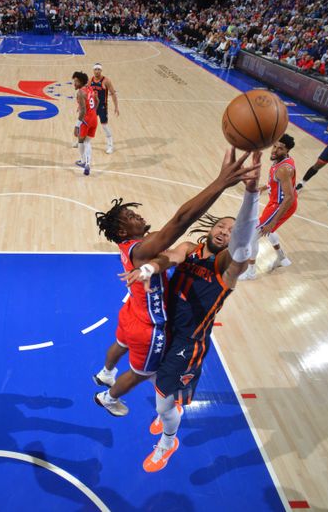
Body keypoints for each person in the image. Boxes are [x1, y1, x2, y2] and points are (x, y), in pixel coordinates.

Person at [122, 150, 263, 472]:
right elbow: (169, 257)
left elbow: (242, 244)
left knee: (163, 399)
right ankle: (168, 416)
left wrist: (251, 196)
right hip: (166, 330)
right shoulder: (191, 248)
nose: (225, 232)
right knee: (160, 386)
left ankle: (168, 442)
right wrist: (148, 270)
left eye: (232, 230)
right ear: (212, 228)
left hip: (189, 342)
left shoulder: (227, 265)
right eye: (221, 226)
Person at [93, 147, 259, 417]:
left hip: (131, 312)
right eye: (133, 217)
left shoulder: (131, 245)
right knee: (140, 374)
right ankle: (108, 397)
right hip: (149, 326)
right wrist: (221, 182)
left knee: (120, 342)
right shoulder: (143, 248)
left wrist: (154, 265)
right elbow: (181, 220)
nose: (140, 216)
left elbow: (170, 253)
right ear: (124, 231)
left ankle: (106, 372)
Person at [239, 134, 297, 280]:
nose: (275, 150)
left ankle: (250, 272)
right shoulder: (280, 161)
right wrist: (262, 188)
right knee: (266, 230)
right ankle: (282, 258)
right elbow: (276, 183)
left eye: (280, 148)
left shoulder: (284, 169)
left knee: (252, 237)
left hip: (281, 205)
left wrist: (272, 222)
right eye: (275, 146)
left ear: (287, 151)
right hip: (276, 203)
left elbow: (289, 197)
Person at [72, 71, 98, 176]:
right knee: (87, 142)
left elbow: (82, 111)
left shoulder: (80, 92)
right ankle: (86, 162)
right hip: (94, 119)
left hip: (86, 120)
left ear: (81, 82)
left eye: (76, 82)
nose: (74, 84)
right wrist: (93, 112)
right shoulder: (90, 88)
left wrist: (77, 125)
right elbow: (97, 101)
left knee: (81, 141)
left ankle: (85, 162)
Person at [89, 63, 119, 154]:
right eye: (95, 69)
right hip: (93, 106)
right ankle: (82, 141)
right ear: (93, 70)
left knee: (104, 126)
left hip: (102, 106)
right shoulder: (90, 80)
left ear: (101, 70)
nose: (97, 71)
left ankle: (110, 146)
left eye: (99, 69)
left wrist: (116, 106)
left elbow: (113, 93)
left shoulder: (106, 81)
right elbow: (87, 92)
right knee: (87, 124)